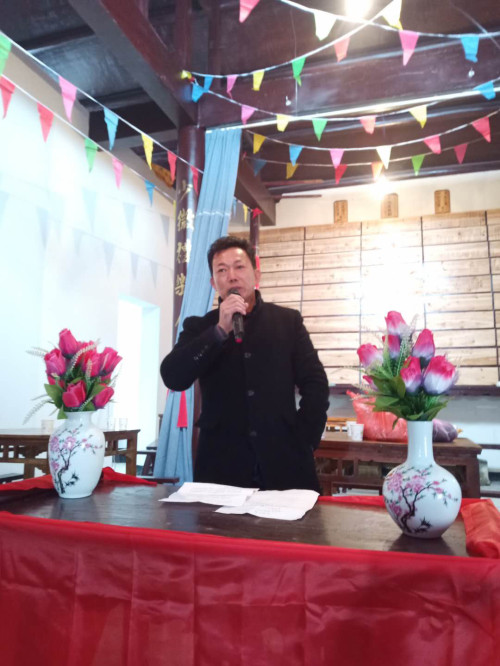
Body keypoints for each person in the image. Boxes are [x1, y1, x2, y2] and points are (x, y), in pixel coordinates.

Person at [160, 235, 329, 492]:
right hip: (221, 465)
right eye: (222, 270)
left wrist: (305, 439)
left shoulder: (288, 322)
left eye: (239, 267)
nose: (232, 276)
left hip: (285, 461)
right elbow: (173, 376)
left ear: (256, 274)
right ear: (213, 283)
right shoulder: (200, 327)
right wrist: (219, 331)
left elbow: (315, 383)